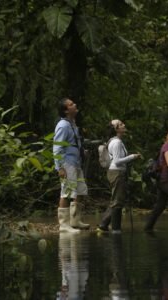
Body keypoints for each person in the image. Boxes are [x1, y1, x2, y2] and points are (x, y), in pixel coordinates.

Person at [97, 119, 141, 234]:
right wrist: (132, 157)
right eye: (121, 124)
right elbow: (117, 161)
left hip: (115, 172)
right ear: (116, 129)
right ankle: (115, 230)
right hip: (117, 172)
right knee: (117, 201)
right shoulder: (116, 142)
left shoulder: (115, 141)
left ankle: (104, 225)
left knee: (116, 200)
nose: (124, 124)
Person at [53, 98, 90, 233]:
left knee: (80, 190)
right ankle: (64, 224)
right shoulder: (63, 125)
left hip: (76, 162)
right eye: (71, 104)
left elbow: (73, 143)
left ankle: (75, 220)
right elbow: (57, 147)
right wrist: (60, 167)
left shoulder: (72, 124)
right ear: (66, 110)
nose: (75, 105)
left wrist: (82, 152)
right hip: (67, 163)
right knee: (67, 192)